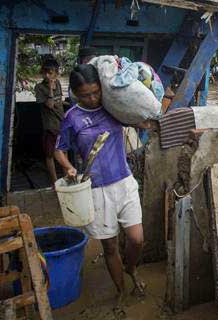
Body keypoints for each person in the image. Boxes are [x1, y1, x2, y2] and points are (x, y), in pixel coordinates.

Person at [54, 64, 145, 302]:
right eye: (85, 95)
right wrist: (68, 167)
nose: (92, 98)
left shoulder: (113, 107)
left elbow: (139, 118)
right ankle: (121, 290)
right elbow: (59, 150)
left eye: (96, 92)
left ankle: (131, 268)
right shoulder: (71, 117)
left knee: (137, 239)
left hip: (124, 182)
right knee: (110, 247)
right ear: (75, 93)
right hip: (96, 189)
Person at [34, 57, 64, 185]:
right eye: (45, 72)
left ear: (56, 73)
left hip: (61, 124)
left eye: (50, 72)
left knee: (64, 150)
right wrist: (51, 89)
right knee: (50, 155)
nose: (47, 75)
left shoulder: (58, 84)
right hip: (50, 126)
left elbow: (59, 101)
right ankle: (54, 181)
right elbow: (50, 105)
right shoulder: (40, 87)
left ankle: (67, 175)